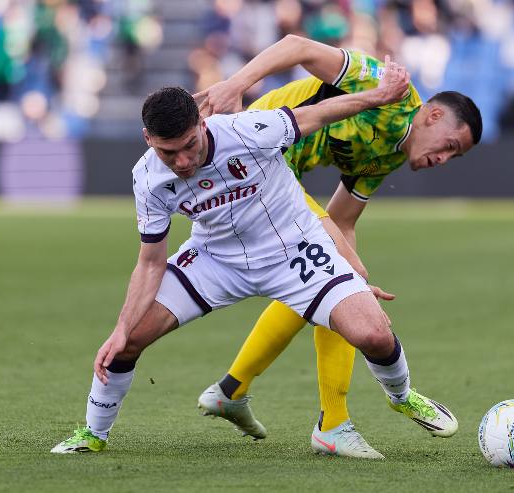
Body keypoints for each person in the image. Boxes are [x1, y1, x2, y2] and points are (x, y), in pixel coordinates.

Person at [51, 61, 457, 456]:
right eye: (168, 153)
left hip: (292, 247)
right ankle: (92, 432)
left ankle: (401, 396)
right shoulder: (148, 178)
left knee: (373, 334)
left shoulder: (248, 131)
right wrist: (121, 327)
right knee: (127, 342)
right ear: (147, 139)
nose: (183, 162)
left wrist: (378, 97)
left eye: (190, 145)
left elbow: (318, 113)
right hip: (214, 259)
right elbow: (151, 262)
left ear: (202, 125)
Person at [192, 35, 482, 459]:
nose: (443, 160)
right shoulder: (389, 90)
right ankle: (331, 424)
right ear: (433, 115)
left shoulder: (389, 156)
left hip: (271, 179)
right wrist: (235, 84)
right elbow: (298, 47)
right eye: (450, 146)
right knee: (336, 283)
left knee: (330, 281)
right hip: (249, 158)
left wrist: (353, 271)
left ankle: (232, 391)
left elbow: (342, 220)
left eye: (454, 158)